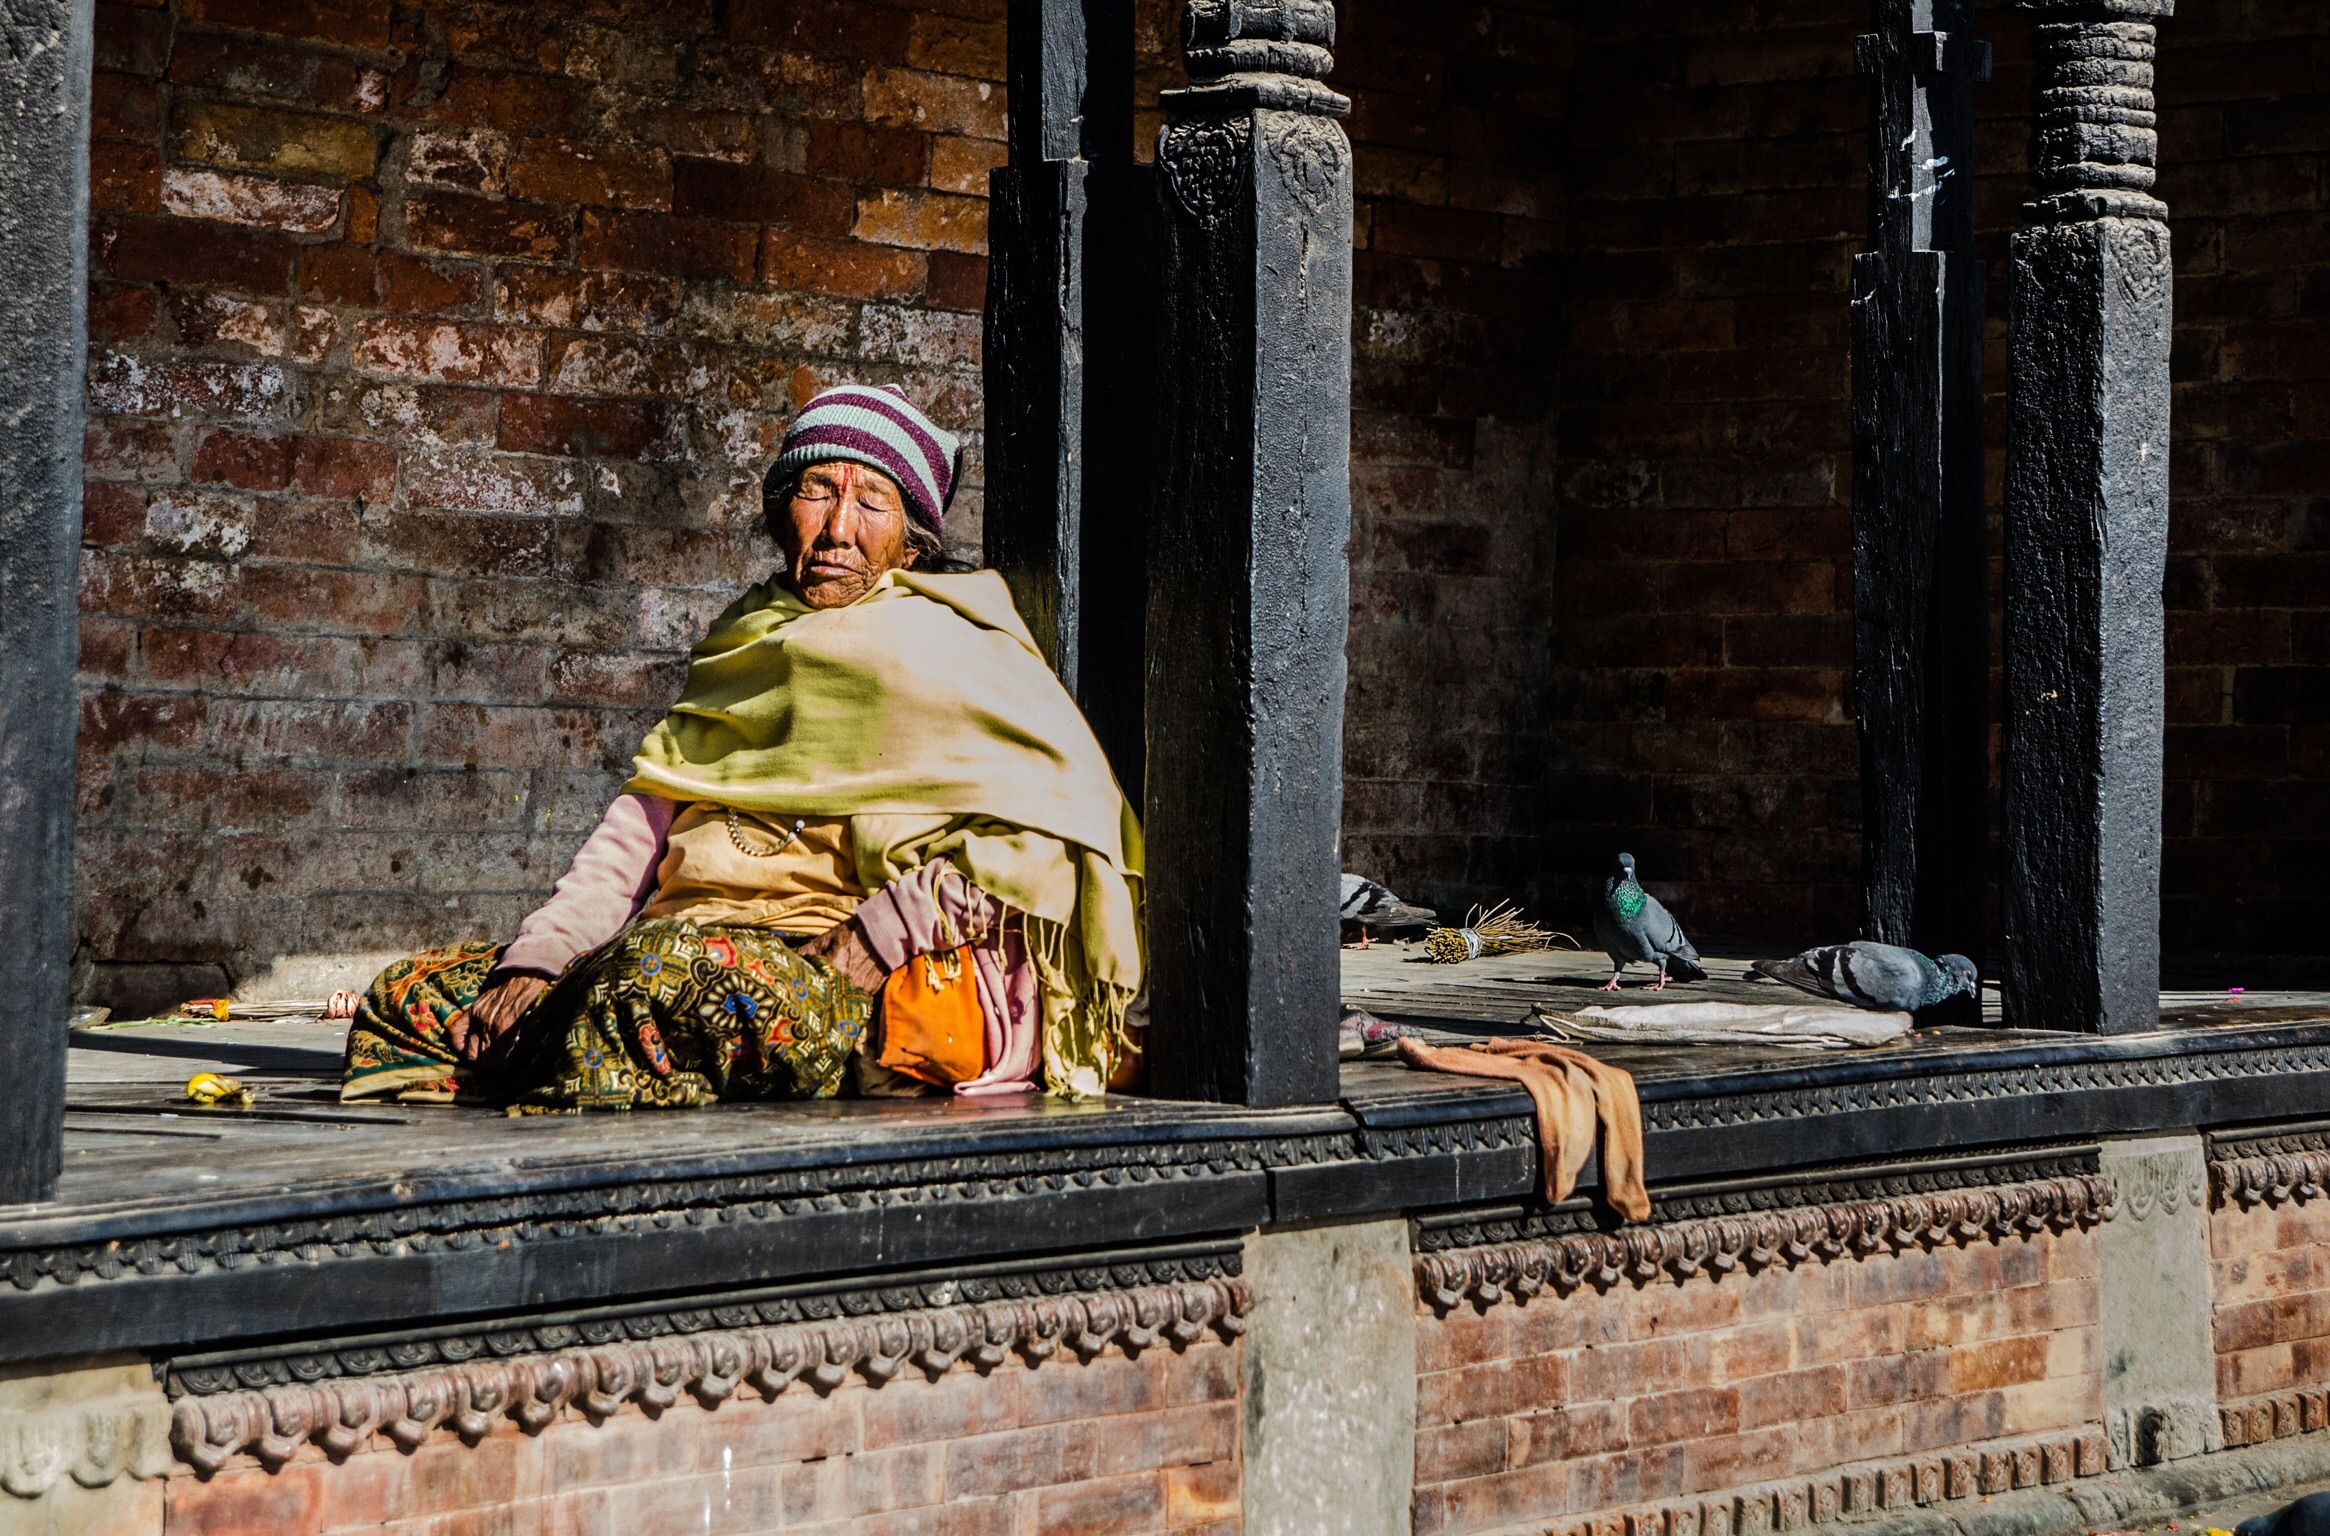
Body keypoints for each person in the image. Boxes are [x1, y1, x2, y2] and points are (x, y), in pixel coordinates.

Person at [339, 384, 1143, 1109]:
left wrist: (876, 938)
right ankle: (568, 1051)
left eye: (873, 502)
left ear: (912, 544)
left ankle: (566, 1056)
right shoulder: (746, 643)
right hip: (668, 942)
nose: (838, 527)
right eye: (818, 490)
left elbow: (1048, 842)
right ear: (780, 513)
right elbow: (634, 837)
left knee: (645, 985)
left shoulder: (953, 646)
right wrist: (539, 962)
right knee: (409, 995)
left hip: (826, 971)